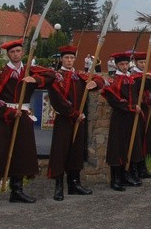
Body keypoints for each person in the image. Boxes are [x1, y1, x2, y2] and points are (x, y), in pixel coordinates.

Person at [0, 38, 55, 209]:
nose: (16, 54)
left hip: (23, 118)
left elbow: (52, 75)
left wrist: (34, 80)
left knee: (21, 152)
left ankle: (17, 191)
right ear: (8, 54)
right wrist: (9, 112)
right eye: (12, 52)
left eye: (18, 51)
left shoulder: (29, 71)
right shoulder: (0, 74)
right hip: (5, 119)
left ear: (23, 53)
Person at [46, 45, 105, 201]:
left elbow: (99, 79)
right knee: (61, 151)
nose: (69, 60)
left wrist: (95, 83)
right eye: (66, 58)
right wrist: (74, 113)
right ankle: (59, 186)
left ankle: (74, 183)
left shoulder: (80, 76)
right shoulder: (56, 77)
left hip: (78, 121)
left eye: (72, 58)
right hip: (65, 119)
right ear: (61, 59)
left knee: (76, 151)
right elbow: (57, 100)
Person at [101, 51, 144, 191]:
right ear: (117, 65)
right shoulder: (114, 80)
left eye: (126, 64)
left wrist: (137, 104)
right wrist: (131, 107)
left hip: (132, 117)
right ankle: (116, 179)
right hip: (120, 117)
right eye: (122, 64)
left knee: (130, 145)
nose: (125, 66)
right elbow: (114, 100)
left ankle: (127, 174)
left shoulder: (132, 79)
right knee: (118, 146)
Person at [129, 53, 151, 183]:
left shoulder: (146, 75)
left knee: (145, 138)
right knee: (137, 140)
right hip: (137, 111)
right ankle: (134, 169)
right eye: (141, 63)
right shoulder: (134, 75)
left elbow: (149, 89)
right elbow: (137, 86)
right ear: (135, 63)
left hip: (145, 109)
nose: (143, 65)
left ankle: (142, 168)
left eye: (145, 62)